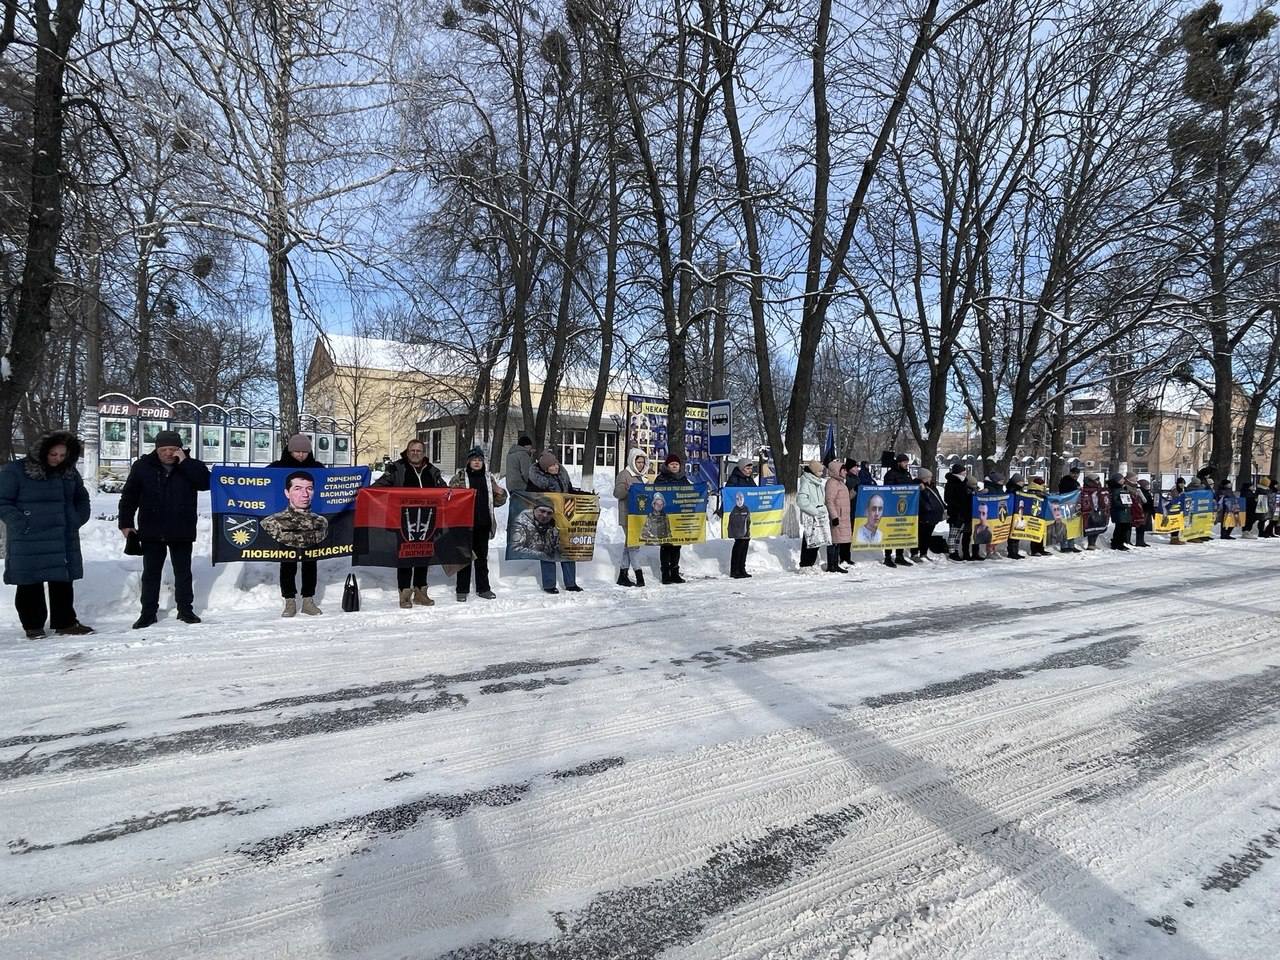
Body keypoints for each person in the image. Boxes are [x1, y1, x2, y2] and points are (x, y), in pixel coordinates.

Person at [0, 431, 93, 639]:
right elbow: (3, 501)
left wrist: (77, 518)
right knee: (29, 581)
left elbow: (82, 497)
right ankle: (33, 626)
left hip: (63, 534)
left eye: (62, 455)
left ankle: (65, 622)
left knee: (62, 579)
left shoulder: (68, 472)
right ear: (42, 452)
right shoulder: (16, 471)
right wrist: (20, 522)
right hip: (29, 536)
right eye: (53, 455)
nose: (58, 459)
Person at [118, 429, 211, 629]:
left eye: (173, 449)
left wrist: (185, 462)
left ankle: (185, 610)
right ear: (157, 449)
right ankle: (148, 613)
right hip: (152, 528)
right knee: (151, 573)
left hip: (181, 528)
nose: (168, 453)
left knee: (183, 572)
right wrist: (126, 524)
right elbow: (129, 496)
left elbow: (205, 483)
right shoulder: (143, 466)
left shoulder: (191, 466)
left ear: (180, 449)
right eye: (164, 449)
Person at [372, 438, 446, 608]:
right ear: (407, 451)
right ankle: (404, 593)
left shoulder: (432, 471)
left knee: (423, 555)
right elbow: (379, 486)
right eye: (412, 450)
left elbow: (444, 491)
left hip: (428, 520)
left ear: (423, 453)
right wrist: (366, 492)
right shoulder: (397, 469)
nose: (415, 453)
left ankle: (421, 592)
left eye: (419, 451)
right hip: (403, 521)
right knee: (406, 556)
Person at [268, 435, 328, 616]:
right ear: (289, 450)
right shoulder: (277, 468)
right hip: (285, 524)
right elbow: (260, 484)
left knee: (310, 561)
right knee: (288, 562)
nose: (301, 455)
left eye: (304, 451)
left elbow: (328, 488)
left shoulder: (317, 468)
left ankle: (308, 600)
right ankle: (289, 601)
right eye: (297, 451)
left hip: (311, 524)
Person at [450, 446, 506, 602]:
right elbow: (449, 498)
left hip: (483, 524)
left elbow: (499, 501)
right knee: (464, 559)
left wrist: (500, 492)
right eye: (474, 460)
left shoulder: (489, 478)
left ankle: (484, 588)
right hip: (465, 525)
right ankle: (462, 590)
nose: (476, 462)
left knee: (482, 559)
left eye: (479, 460)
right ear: (468, 461)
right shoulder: (460, 477)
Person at [526, 451, 583, 593]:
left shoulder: (562, 476)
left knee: (567, 550)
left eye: (556, 463)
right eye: (552, 465)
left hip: (564, 518)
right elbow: (530, 499)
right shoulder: (536, 480)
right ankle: (549, 584)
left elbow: (570, 492)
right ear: (545, 468)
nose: (556, 467)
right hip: (546, 520)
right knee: (548, 551)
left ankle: (571, 583)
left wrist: (585, 496)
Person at [653, 453, 694, 584]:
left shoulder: (683, 479)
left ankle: (675, 572)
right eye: (672, 464)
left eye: (677, 464)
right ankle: (665, 573)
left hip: (679, 517)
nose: (675, 466)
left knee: (676, 545)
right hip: (664, 517)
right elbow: (655, 495)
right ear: (667, 465)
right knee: (666, 546)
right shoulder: (660, 479)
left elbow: (691, 493)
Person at [614, 448, 649, 586]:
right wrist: (627, 489)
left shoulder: (641, 477)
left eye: (642, 462)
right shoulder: (624, 474)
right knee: (634, 545)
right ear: (632, 461)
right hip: (627, 515)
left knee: (629, 545)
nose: (640, 464)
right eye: (638, 461)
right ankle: (639, 576)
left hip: (639, 516)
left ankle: (622, 575)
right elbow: (617, 493)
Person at [724, 455, 757, 579]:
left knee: (746, 540)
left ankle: (742, 568)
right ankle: (735, 570)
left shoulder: (750, 480)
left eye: (750, 468)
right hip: (737, 514)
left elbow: (754, 493)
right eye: (747, 468)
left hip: (747, 514)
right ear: (742, 468)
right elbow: (729, 494)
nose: (749, 471)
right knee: (739, 541)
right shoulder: (734, 478)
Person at [796, 460, 831, 573]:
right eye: (820, 471)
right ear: (814, 471)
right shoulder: (807, 482)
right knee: (809, 541)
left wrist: (823, 509)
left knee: (817, 541)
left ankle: (811, 563)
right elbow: (801, 500)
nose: (822, 473)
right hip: (810, 516)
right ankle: (805, 564)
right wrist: (814, 511)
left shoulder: (817, 482)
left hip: (819, 515)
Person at [881, 453, 914, 567]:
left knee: (901, 531)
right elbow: (888, 490)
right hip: (892, 507)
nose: (906, 464)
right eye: (905, 462)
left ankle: (900, 555)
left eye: (907, 462)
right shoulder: (890, 474)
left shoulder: (907, 474)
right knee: (891, 532)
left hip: (905, 507)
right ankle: (888, 556)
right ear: (899, 462)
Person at [824, 457, 851, 574]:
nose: (845, 472)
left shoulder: (840, 482)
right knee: (833, 541)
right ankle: (831, 565)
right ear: (837, 470)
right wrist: (834, 516)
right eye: (843, 470)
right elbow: (829, 500)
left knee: (837, 541)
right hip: (837, 517)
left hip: (843, 516)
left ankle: (835, 564)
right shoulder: (832, 483)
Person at [914, 468, 946, 561]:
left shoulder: (931, 486)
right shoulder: (919, 486)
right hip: (925, 515)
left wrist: (943, 507)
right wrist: (928, 508)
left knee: (928, 535)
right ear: (924, 477)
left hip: (933, 515)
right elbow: (923, 501)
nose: (931, 479)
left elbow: (938, 498)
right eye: (929, 477)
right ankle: (915, 553)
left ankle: (923, 553)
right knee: (921, 535)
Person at [944, 462, 970, 561]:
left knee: (958, 533)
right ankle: (952, 552)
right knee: (953, 533)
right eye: (963, 471)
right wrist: (958, 505)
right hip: (955, 512)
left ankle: (956, 551)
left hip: (962, 511)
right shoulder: (952, 483)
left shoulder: (963, 482)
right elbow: (949, 498)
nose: (965, 473)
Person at [1082, 474, 1109, 550]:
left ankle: (1093, 543)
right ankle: (1090, 544)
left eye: (1098, 479)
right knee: (1091, 527)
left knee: (1098, 527)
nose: (1098, 481)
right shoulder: (1086, 488)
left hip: (1098, 509)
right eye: (1096, 479)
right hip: (1090, 509)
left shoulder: (1099, 488)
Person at [1108, 474, 1132, 551]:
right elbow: (1115, 501)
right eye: (1122, 479)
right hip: (1119, 512)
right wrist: (1124, 504)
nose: (1123, 480)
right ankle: (1117, 543)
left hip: (1124, 512)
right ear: (1117, 480)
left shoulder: (1122, 488)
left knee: (1123, 528)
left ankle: (1120, 543)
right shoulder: (1115, 489)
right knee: (1120, 529)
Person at [1004, 475, 1026, 560]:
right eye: (1021, 482)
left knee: (1017, 532)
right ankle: (1012, 552)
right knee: (1013, 534)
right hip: (1013, 513)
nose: (1022, 483)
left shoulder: (1018, 489)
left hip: (1018, 513)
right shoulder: (1012, 490)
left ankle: (1015, 551)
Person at [1133, 476, 1154, 547]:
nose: (1148, 486)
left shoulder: (1147, 492)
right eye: (1146, 485)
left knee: (1143, 527)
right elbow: (1144, 501)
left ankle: (1141, 541)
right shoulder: (1140, 491)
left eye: (1148, 485)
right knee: (1140, 526)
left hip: (1146, 511)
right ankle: (1139, 541)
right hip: (1142, 511)